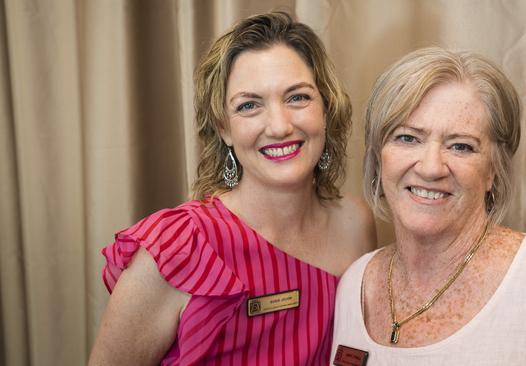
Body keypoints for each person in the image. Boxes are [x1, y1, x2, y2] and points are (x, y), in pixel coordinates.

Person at [331, 46, 526, 365]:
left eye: (460, 146)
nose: (430, 167)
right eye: (408, 138)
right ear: (378, 155)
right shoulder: (354, 286)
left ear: (493, 171)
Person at [89, 12, 375, 365]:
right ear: (224, 128)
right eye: (249, 105)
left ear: (326, 108)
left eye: (297, 98)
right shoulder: (176, 248)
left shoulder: (355, 223)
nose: (279, 125)